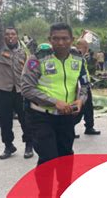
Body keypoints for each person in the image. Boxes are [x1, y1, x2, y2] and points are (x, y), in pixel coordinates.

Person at [22, 23, 89, 165]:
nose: (60, 43)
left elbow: (84, 85)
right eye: (56, 39)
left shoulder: (78, 59)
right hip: (41, 117)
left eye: (65, 38)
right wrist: (54, 102)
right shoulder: (37, 59)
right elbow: (27, 88)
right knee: (49, 159)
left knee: (66, 156)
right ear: (49, 39)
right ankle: (45, 188)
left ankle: (64, 187)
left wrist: (80, 100)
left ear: (72, 39)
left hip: (66, 116)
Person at [0, 0, 33, 159]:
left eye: (13, 34)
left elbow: (31, 70)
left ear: (17, 36)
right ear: (3, 37)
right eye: (7, 35)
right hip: (2, 90)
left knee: (26, 120)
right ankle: (9, 146)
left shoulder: (24, 51)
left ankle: (29, 144)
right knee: (5, 121)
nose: (10, 37)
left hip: (20, 91)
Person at [73, 39, 101, 137]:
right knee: (78, 108)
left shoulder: (83, 57)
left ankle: (89, 127)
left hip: (86, 85)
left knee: (89, 107)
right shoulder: (76, 56)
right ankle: (70, 128)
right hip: (79, 87)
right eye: (86, 47)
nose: (87, 49)